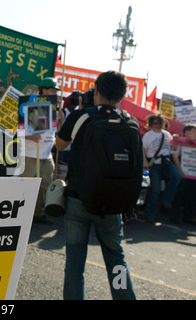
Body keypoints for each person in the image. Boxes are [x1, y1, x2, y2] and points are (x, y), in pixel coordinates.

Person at [56, 70, 136, 300]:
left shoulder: (82, 116)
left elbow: (60, 145)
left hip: (79, 198)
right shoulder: (128, 121)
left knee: (74, 263)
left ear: (96, 89)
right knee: (116, 260)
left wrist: (77, 110)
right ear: (122, 95)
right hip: (113, 202)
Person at [19, 77, 59, 224]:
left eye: (55, 91)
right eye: (52, 90)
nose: (54, 93)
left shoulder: (55, 109)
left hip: (46, 155)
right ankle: (21, 214)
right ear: (44, 90)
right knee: (25, 186)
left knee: (45, 185)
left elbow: (53, 131)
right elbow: (18, 132)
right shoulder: (29, 106)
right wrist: (30, 137)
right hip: (29, 154)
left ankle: (37, 213)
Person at [142, 114, 182, 223]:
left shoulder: (167, 134)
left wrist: (175, 140)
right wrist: (145, 163)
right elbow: (142, 150)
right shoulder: (148, 135)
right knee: (155, 189)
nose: (158, 125)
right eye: (155, 123)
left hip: (166, 162)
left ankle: (166, 199)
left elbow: (172, 148)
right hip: (154, 164)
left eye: (160, 123)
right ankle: (150, 214)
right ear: (151, 124)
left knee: (176, 176)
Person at [170, 124, 196, 225]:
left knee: (191, 196)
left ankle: (187, 216)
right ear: (186, 132)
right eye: (194, 131)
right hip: (182, 174)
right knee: (179, 196)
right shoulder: (180, 142)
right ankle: (175, 217)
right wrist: (181, 171)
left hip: (193, 174)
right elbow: (175, 157)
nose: (195, 133)